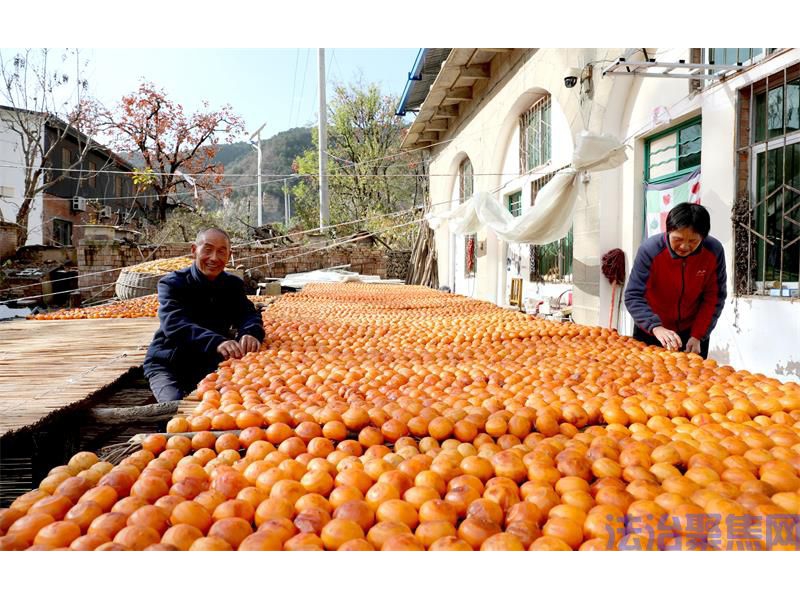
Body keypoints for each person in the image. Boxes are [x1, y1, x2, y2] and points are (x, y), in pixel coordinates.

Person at [143, 228, 265, 403]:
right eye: (207, 250)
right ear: (194, 250)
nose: (214, 258)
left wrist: (250, 332)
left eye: (221, 251)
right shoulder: (173, 284)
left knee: (228, 403)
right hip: (169, 363)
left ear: (229, 255)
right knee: (173, 409)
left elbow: (248, 315)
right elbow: (174, 324)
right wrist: (217, 342)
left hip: (207, 363)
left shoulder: (232, 286)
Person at [624, 203, 726, 359]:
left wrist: (698, 335)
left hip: (692, 334)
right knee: (645, 378)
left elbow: (714, 297)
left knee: (693, 380)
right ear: (668, 231)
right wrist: (655, 327)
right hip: (652, 331)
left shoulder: (713, 251)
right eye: (677, 239)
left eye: (693, 241)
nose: (684, 246)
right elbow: (633, 295)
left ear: (703, 237)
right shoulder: (650, 250)